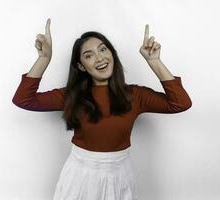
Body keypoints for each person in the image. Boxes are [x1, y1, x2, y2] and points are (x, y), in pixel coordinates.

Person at [12, 18, 192, 200]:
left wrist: (154, 61)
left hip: (120, 176)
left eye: (103, 49)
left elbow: (180, 103)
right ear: (81, 66)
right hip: (80, 176)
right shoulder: (71, 95)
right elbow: (23, 100)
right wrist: (44, 58)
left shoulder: (136, 95)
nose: (99, 58)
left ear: (112, 54)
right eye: (89, 55)